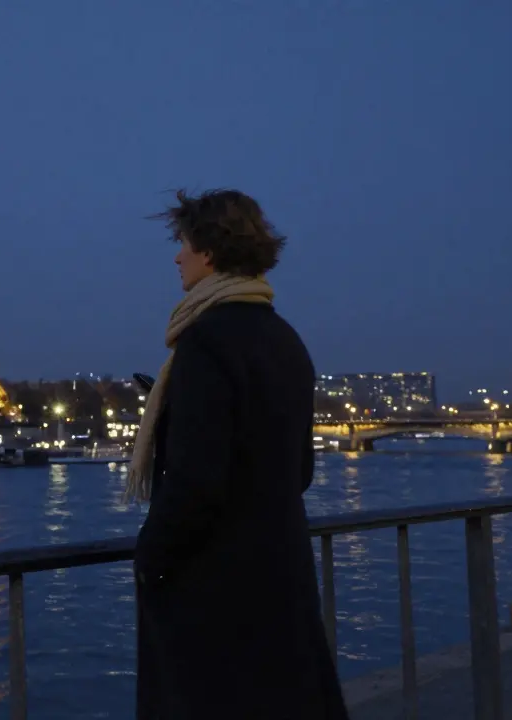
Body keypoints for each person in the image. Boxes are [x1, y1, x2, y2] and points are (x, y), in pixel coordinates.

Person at [126, 188, 349, 718]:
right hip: (279, 575)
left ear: (208, 250)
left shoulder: (205, 342)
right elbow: (299, 469)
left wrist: (150, 560)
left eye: (183, 244)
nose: (177, 257)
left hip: (217, 590)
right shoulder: (285, 338)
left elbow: (195, 479)